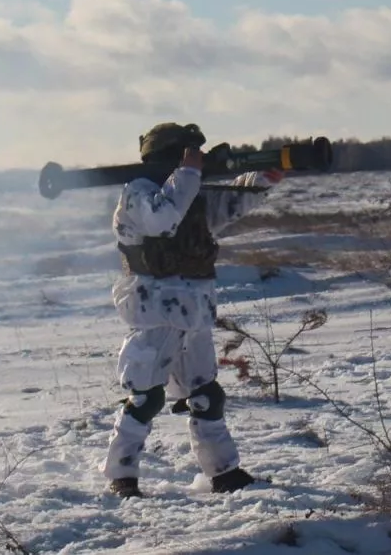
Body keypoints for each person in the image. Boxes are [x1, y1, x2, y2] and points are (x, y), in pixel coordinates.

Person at [101, 122, 285, 498]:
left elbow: (224, 207)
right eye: (188, 153)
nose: (195, 159)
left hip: (194, 309)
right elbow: (163, 220)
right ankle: (121, 475)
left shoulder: (186, 190)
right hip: (155, 309)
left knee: (206, 395)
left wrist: (262, 176)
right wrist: (188, 174)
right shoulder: (138, 193)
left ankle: (223, 473)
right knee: (146, 397)